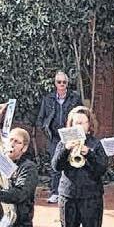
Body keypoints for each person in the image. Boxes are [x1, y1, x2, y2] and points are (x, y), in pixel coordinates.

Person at [52, 105, 109, 227]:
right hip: (68, 196)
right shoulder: (63, 143)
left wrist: (88, 153)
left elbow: (101, 169)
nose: (79, 126)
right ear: (71, 124)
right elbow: (56, 166)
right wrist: (66, 149)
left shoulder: (96, 144)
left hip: (91, 197)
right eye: (76, 123)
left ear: (89, 125)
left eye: (83, 123)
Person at [37, 71, 82, 204]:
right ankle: (55, 192)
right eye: (59, 82)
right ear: (55, 84)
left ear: (67, 84)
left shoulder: (75, 98)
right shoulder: (48, 99)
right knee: (55, 164)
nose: (62, 84)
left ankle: (71, 192)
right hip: (54, 136)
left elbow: (82, 114)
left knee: (71, 163)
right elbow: (41, 118)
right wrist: (45, 130)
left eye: (64, 82)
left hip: (70, 135)